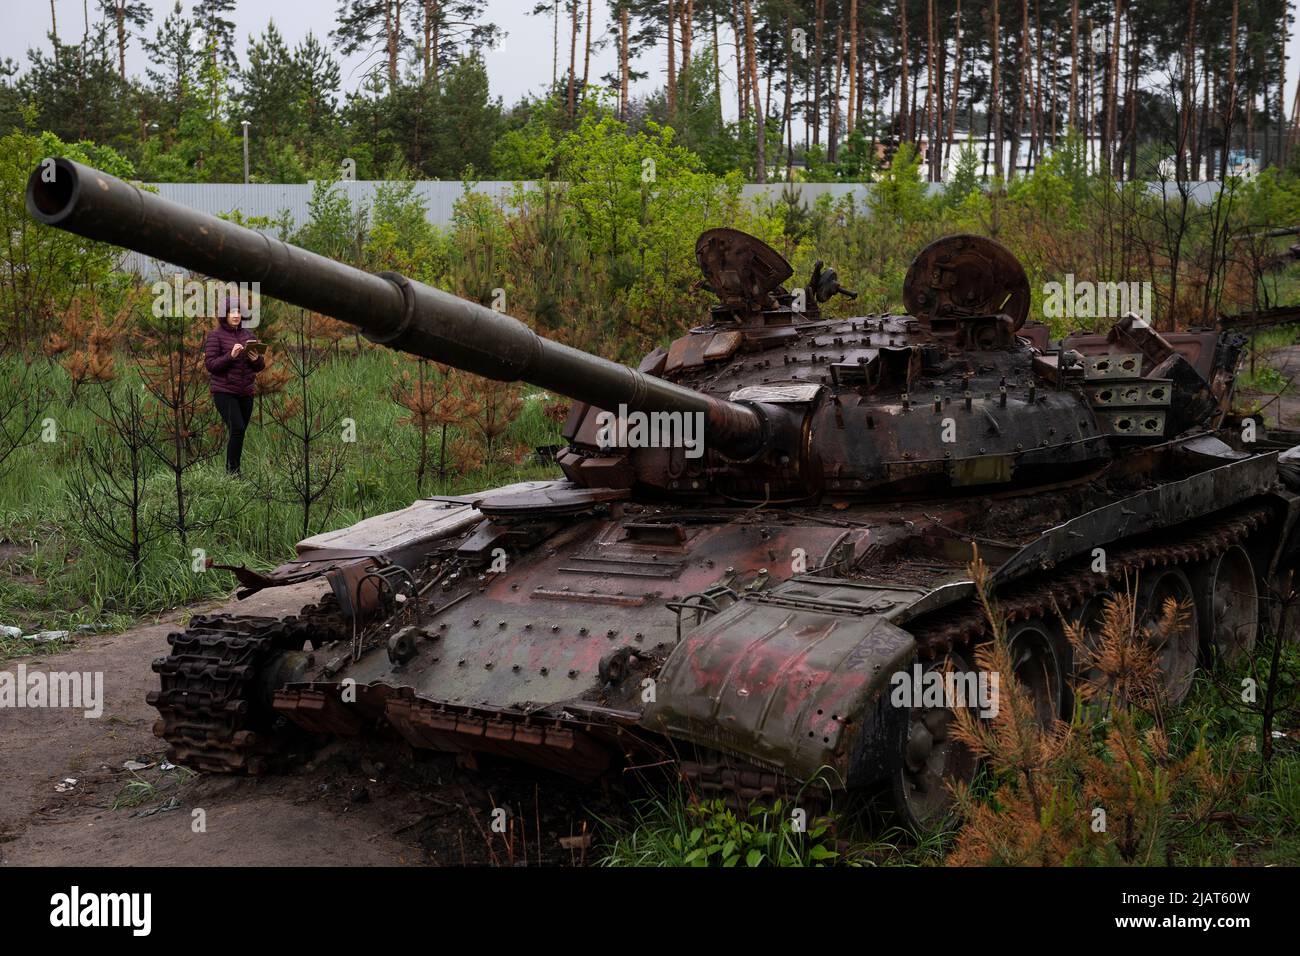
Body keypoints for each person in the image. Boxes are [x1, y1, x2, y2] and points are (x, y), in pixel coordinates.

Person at [204, 296, 264, 474]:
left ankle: (234, 470)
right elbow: (211, 365)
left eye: (238, 311)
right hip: (224, 391)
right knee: (237, 428)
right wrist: (230, 356)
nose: (236, 315)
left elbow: (260, 366)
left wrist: (256, 359)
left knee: (240, 431)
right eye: (232, 312)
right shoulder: (216, 336)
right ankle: (233, 473)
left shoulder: (249, 335)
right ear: (225, 315)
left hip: (245, 392)